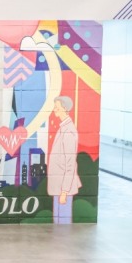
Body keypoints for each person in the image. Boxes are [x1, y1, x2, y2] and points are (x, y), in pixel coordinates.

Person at [48, 96, 81, 224]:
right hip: (59, 187)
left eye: (57, 107)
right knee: (58, 222)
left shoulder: (68, 132)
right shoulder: (63, 128)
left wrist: (65, 191)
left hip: (63, 188)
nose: (54, 109)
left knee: (63, 223)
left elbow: (70, 164)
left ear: (65, 109)